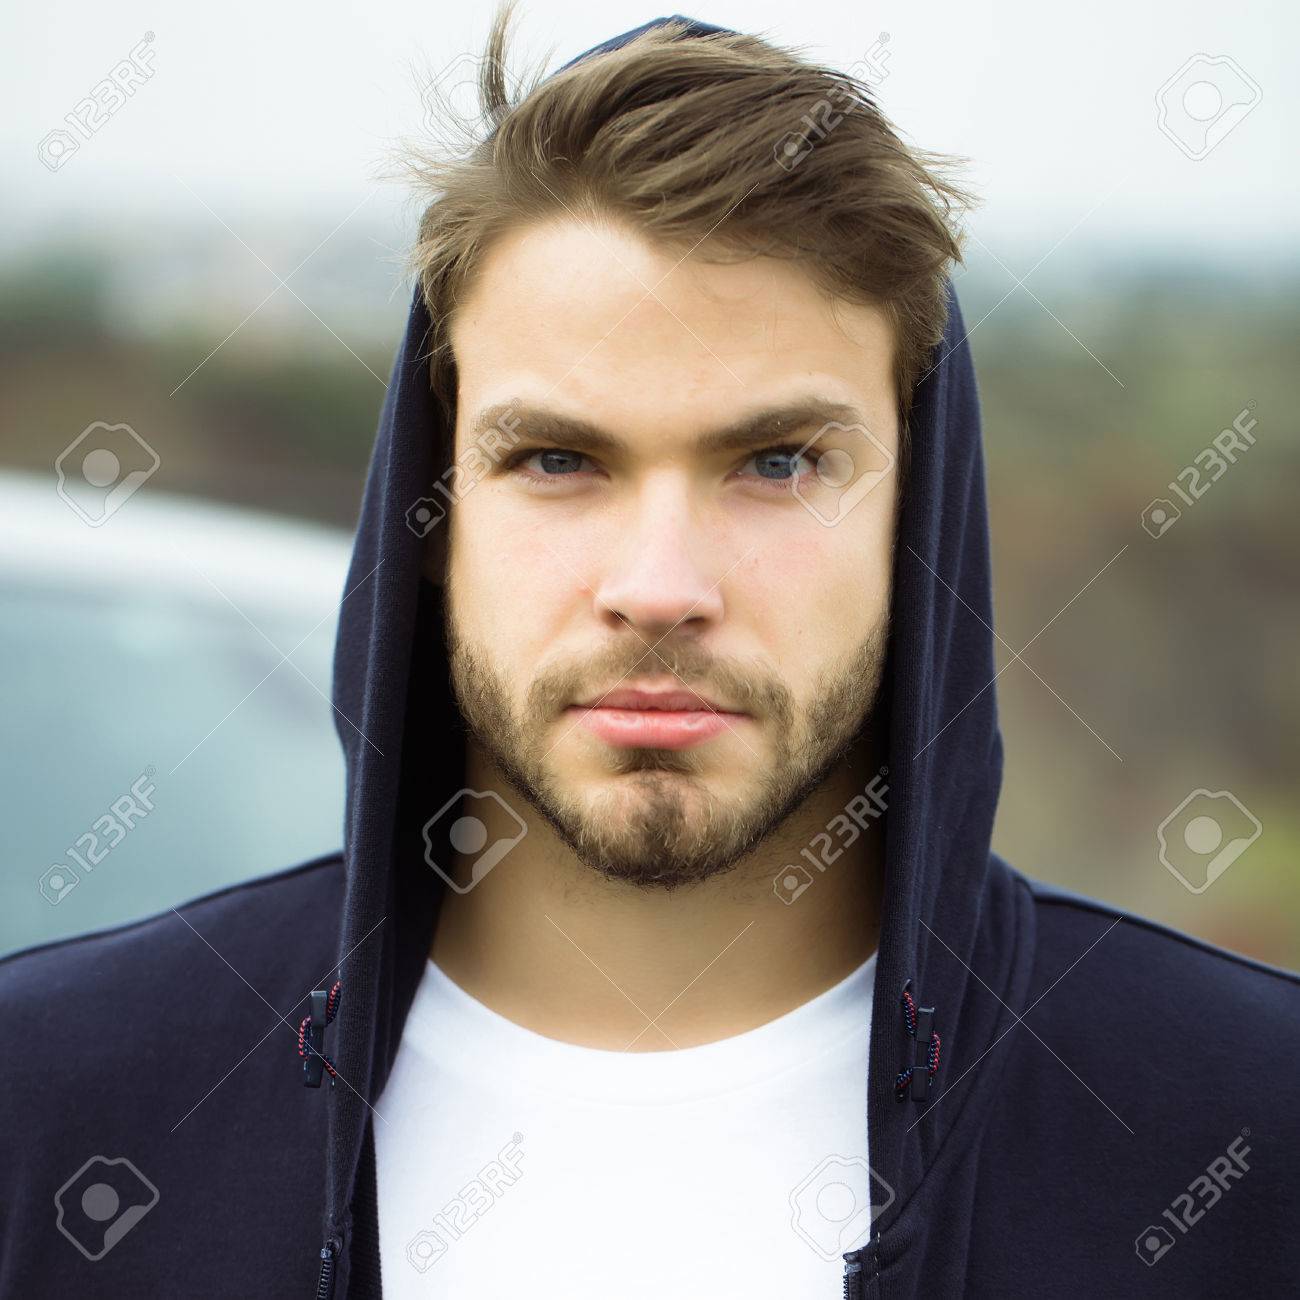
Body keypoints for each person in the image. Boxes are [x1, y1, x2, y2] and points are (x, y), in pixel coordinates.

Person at [3, 10, 1297, 1298]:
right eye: (558, 460)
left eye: (780, 462)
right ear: (436, 508)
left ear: (917, 512)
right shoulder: (54, 1109)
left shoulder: (1243, 1133)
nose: (661, 589)